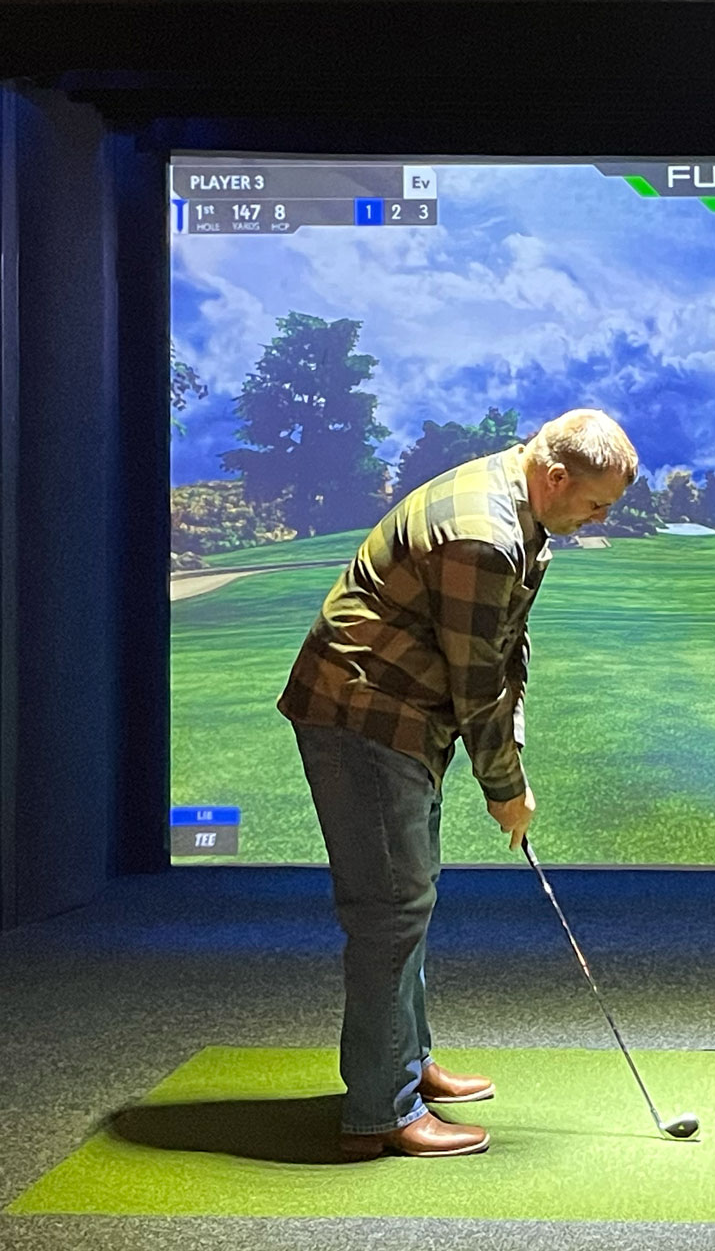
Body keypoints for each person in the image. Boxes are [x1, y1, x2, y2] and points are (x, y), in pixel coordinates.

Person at [279, 408, 638, 1158]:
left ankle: (406, 1064)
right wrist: (503, 784)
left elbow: (508, 648)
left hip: (400, 711)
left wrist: (513, 758)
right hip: (364, 713)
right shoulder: (484, 532)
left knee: (409, 896)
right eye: (597, 504)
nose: (600, 518)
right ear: (558, 476)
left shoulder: (524, 510)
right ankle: (382, 1110)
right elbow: (476, 682)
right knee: (390, 908)